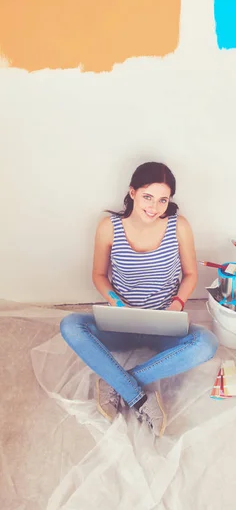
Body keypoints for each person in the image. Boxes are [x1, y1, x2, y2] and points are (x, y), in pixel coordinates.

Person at [60, 161, 218, 437]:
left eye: (162, 200)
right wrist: (116, 303)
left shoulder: (178, 227)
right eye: (148, 197)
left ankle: (120, 383)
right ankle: (139, 395)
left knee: (207, 344)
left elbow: (191, 274)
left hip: (163, 324)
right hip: (121, 322)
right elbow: (98, 275)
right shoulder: (109, 227)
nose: (154, 207)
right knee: (71, 325)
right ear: (132, 192)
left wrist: (176, 305)